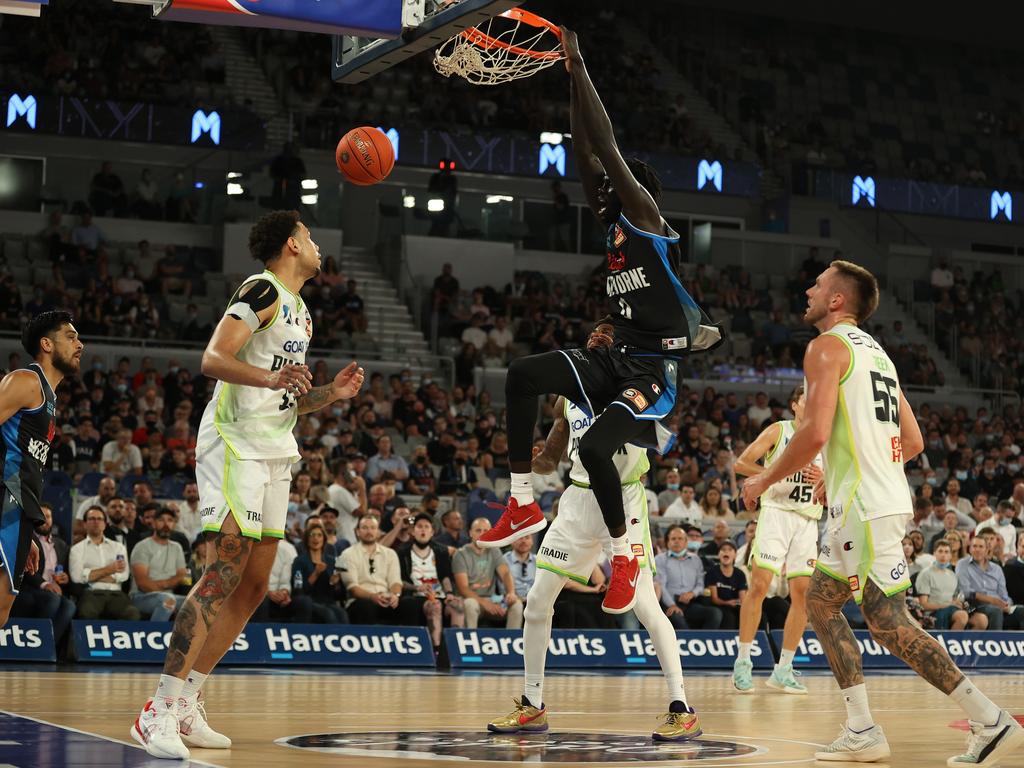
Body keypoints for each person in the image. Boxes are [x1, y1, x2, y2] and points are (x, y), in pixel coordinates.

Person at [477, 27, 722, 618]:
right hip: (614, 354)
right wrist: (565, 79)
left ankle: (624, 556)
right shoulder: (611, 222)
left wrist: (581, 62)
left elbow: (605, 147)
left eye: (614, 183)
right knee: (521, 375)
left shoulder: (645, 218)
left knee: (598, 446)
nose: (602, 186)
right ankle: (521, 502)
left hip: (652, 366)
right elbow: (583, 150)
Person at [741, 260, 1023, 763]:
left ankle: (990, 719)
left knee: (889, 622)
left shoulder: (825, 347)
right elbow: (911, 440)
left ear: (836, 301)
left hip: (865, 509)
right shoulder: (880, 358)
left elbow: (815, 432)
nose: (807, 288)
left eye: (818, 284)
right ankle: (862, 728)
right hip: (868, 501)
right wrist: (845, 474)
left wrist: (765, 477)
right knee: (823, 606)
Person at [131, 211, 365, 760]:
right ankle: (158, 709)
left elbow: (283, 395)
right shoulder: (261, 290)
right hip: (234, 441)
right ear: (291, 243)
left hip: (275, 446)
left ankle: (189, 702)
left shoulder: (302, 312)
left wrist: (329, 394)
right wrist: (270, 377)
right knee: (223, 569)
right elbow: (213, 359)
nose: (316, 244)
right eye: (310, 236)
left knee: (254, 584)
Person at [489, 386, 700, 741]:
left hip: (625, 498)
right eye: (593, 335)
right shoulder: (567, 398)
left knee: (647, 608)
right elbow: (550, 460)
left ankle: (682, 708)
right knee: (537, 603)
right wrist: (529, 455)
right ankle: (533, 704)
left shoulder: (637, 392)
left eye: (608, 334)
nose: (598, 340)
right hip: (576, 502)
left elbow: (667, 431)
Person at [731, 383, 822, 693]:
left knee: (803, 596)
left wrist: (825, 479)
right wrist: (774, 474)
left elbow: (843, 479)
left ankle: (784, 668)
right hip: (777, 513)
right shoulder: (779, 431)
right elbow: (741, 463)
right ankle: (743, 660)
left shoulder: (826, 438)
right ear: (794, 405)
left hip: (808, 520)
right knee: (758, 586)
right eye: (806, 400)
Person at [0, 312, 82, 630]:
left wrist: (30, 532)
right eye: (71, 336)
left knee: (4, 608)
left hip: (16, 507)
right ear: (46, 344)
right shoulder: (26, 381)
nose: (81, 344)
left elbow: (24, 465)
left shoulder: (48, 397)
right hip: (6, 500)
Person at [396, 512, 461, 649]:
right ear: (413, 531)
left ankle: (456, 648)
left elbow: (445, 576)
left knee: (458, 605)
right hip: (415, 596)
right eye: (419, 526)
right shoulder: (402, 552)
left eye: (427, 527)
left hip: (439, 594)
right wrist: (417, 588)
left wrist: (449, 593)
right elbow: (399, 580)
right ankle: (436, 649)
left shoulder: (441, 551)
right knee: (435, 606)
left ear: (432, 532)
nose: (423, 530)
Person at [71, 506, 140, 620]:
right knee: (86, 612)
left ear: (105, 523)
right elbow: (77, 577)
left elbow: (123, 575)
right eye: (92, 519)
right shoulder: (77, 549)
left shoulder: (118, 547)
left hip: (116, 594)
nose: (96, 522)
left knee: (132, 613)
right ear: (84, 524)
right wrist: (110, 570)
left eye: (99, 519)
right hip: (92, 594)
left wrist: (90, 574)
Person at [339, 514, 402, 624]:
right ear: (357, 532)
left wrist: (394, 595)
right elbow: (352, 588)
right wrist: (372, 597)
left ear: (378, 532)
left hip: (386, 599)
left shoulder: (391, 554)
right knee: (367, 606)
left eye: (373, 528)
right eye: (365, 528)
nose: (369, 532)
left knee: (408, 605)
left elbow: (395, 581)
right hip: (360, 601)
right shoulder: (346, 554)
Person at [656, 525, 722, 629]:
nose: (676, 541)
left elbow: (700, 584)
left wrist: (692, 593)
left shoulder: (696, 560)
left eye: (680, 538)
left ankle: (703, 643)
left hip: (691, 603)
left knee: (715, 614)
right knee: (680, 623)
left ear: (686, 542)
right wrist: (672, 605)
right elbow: (661, 587)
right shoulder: (660, 559)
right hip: (668, 603)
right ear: (668, 542)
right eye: (673, 539)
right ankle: (690, 643)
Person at [130, 508, 188, 621]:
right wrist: (169, 584)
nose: (166, 524)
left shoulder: (177, 547)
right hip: (141, 596)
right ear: (154, 523)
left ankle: (187, 638)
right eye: (161, 520)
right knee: (167, 600)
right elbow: (143, 584)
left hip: (170, 595)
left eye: (170, 520)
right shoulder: (142, 546)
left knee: (195, 603)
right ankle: (153, 636)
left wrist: (164, 584)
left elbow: (182, 576)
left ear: (174, 524)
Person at [955, 535, 1024, 631]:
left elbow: (1004, 594)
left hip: (999, 607)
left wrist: (1006, 604)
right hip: (975, 606)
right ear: (970, 549)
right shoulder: (963, 564)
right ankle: (996, 642)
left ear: (987, 549)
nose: (977, 550)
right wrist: (992, 600)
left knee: (1021, 610)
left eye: (981, 547)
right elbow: (965, 591)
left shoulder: (996, 568)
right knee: (995, 611)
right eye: (974, 546)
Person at [916, 541, 986, 631]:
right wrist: (947, 605)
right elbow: (923, 605)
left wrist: (958, 603)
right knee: (962, 616)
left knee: (981, 620)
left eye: (946, 552)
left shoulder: (953, 575)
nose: (943, 555)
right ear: (934, 553)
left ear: (950, 555)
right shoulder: (926, 573)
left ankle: (964, 644)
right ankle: (948, 643)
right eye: (940, 551)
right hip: (933, 613)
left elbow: (954, 599)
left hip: (952, 610)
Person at [291, 525, 347, 624]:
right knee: (328, 615)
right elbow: (298, 590)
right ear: (307, 539)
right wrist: (315, 574)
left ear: (324, 539)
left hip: (328, 602)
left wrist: (335, 583)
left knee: (342, 615)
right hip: (309, 602)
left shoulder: (332, 561)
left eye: (319, 535)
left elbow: (340, 595)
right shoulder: (299, 561)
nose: (316, 538)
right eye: (312, 535)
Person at [705, 541, 746, 630]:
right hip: (719, 605)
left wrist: (739, 603)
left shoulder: (740, 574)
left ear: (735, 555)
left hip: (735, 605)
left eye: (730, 550)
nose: (726, 552)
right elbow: (714, 599)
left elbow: (743, 598)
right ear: (719, 555)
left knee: (748, 613)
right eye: (723, 550)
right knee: (729, 617)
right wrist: (727, 603)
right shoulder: (712, 572)